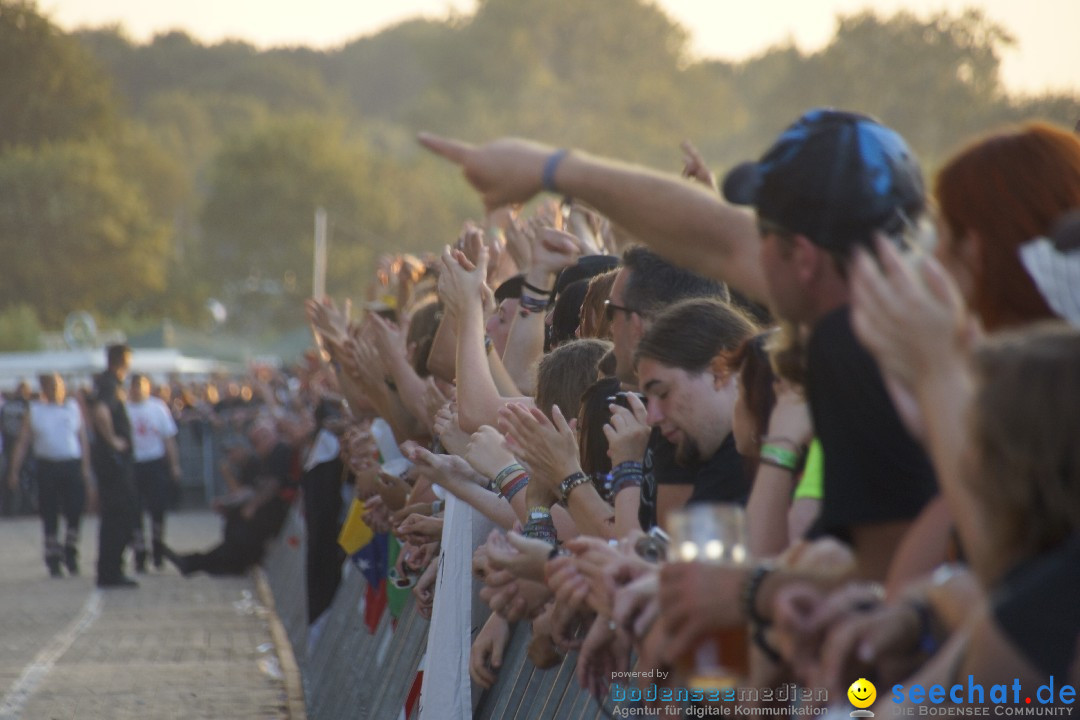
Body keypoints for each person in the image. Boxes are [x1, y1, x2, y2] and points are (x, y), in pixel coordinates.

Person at [163, 420, 296, 576]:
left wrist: (251, 505)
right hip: (264, 511)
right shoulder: (262, 459)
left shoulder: (277, 452)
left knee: (241, 534)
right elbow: (249, 490)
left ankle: (196, 563)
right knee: (235, 527)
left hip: (276, 512)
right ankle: (197, 562)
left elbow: (271, 485)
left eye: (257, 442)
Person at [6, 373, 93, 577]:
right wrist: (14, 470)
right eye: (50, 386)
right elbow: (23, 441)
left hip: (70, 463)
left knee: (74, 508)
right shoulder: (35, 411)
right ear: (43, 389)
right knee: (49, 510)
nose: (54, 389)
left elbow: (82, 439)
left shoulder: (72, 408)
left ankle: (70, 549)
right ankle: (52, 554)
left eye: (58, 385)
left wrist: (86, 466)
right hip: (47, 466)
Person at [89, 343, 140, 588]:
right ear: (121, 361)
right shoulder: (109, 384)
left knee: (118, 516)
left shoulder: (108, 383)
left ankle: (110, 570)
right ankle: (111, 571)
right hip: (114, 463)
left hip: (112, 461)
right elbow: (100, 412)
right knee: (120, 515)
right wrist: (114, 442)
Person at [125, 372, 181, 572]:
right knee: (134, 510)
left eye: (141, 385)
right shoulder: (124, 409)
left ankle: (158, 549)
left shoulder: (157, 407)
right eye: (135, 385)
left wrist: (174, 465)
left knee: (158, 508)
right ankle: (140, 553)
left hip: (154, 462)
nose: (138, 389)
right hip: (133, 464)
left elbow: (168, 438)